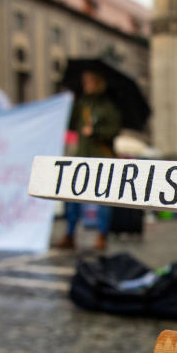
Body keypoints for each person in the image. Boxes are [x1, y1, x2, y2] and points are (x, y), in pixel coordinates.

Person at [56, 69, 122, 250]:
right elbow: (69, 124)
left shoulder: (108, 107)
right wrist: (72, 104)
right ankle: (70, 234)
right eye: (84, 81)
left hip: (101, 158)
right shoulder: (82, 104)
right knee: (72, 197)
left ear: (99, 83)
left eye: (90, 81)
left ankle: (102, 236)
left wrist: (96, 132)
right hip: (81, 156)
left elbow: (114, 130)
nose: (86, 84)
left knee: (103, 199)